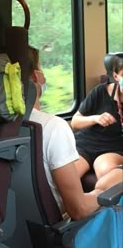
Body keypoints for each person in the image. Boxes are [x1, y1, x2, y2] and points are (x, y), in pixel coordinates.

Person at [28, 46, 102, 220]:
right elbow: (79, 210)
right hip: (60, 226)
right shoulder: (53, 127)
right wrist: (103, 191)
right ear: (35, 77)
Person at [71, 54, 123, 180]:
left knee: (106, 171)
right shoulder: (100, 91)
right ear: (116, 76)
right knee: (68, 176)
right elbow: (75, 122)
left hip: (114, 148)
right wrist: (95, 118)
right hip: (85, 144)